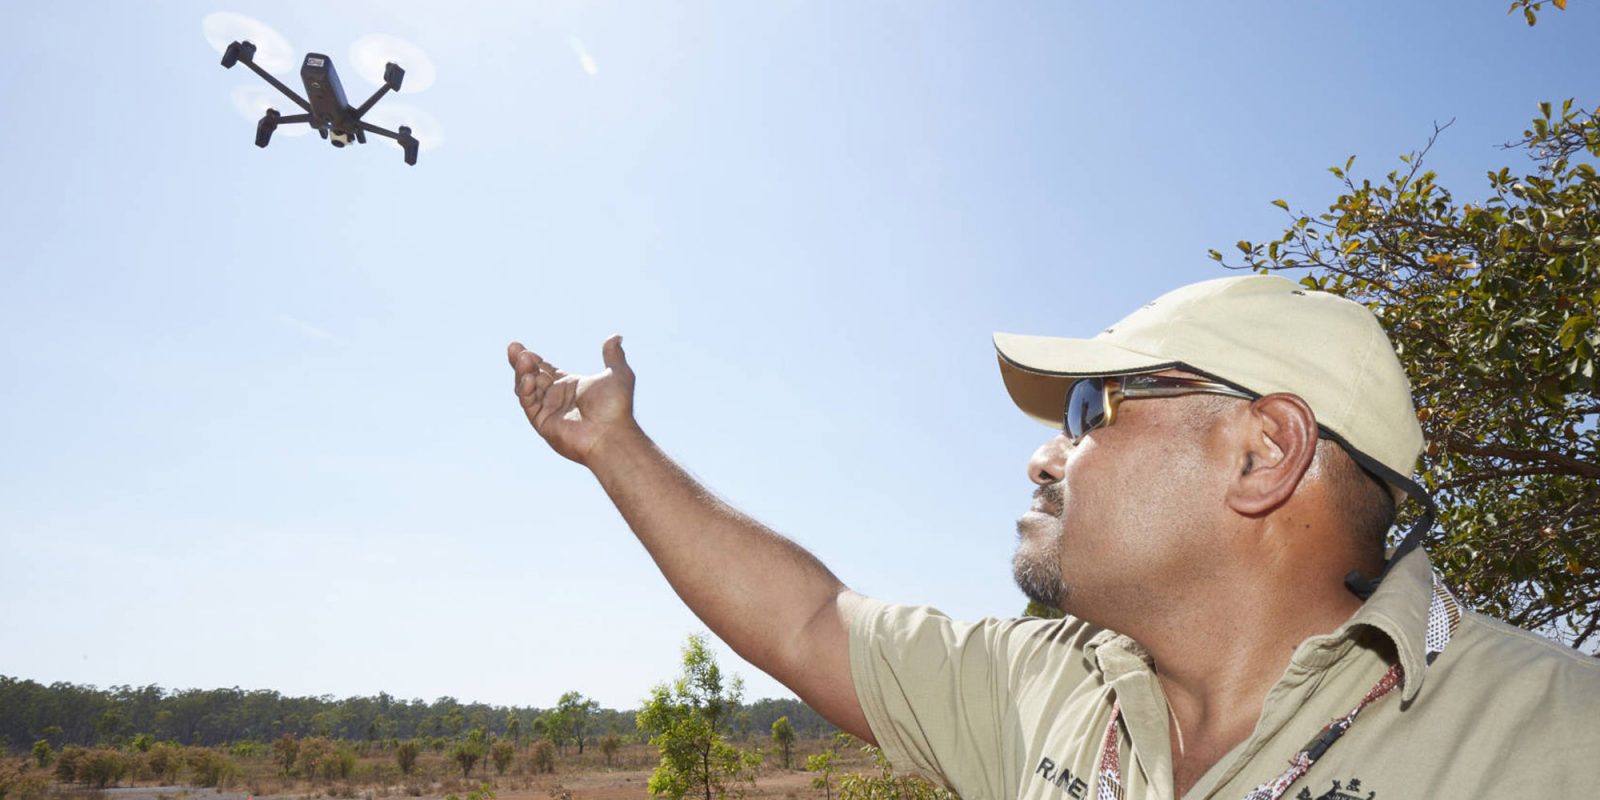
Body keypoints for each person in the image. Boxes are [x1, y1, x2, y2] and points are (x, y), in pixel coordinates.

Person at [506, 275, 1599, 799]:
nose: (1042, 454)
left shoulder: (1553, 737)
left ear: (1263, 452)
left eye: (1089, 412)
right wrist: (618, 449)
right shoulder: (1049, 683)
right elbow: (804, 618)